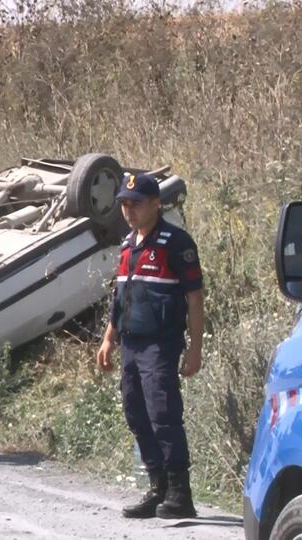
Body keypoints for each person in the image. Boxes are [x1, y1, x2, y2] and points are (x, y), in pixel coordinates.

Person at [96, 173, 205, 519]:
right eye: (124, 204)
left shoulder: (176, 242)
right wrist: (108, 339)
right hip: (130, 343)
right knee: (136, 412)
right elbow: (120, 299)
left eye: (136, 204)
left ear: (156, 204)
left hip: (161, 343)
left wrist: (195, 348)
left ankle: (180, 493)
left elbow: (195, 297)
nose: (129, 211)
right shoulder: (128, 244)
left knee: (163, 414)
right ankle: (158, 487)